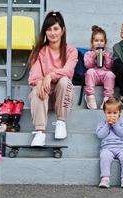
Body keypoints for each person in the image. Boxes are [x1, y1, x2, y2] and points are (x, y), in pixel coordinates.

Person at [28, 11, 78, 146]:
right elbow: (35, 75)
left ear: (63, 30)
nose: (52, 33)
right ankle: (39, 132)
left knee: (65, 80)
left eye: (56, 28)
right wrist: (40, 82)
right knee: (37, 86)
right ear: (45, 32)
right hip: (44, 95)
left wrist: (50, 76)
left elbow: (68, 71)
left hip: (62, 97)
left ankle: (61, 122)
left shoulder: (71, 51)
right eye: (49, 29)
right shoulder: (39, 51)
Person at [96, 97, 123, 188]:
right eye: (109, 113)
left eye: (115, 113)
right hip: (107, 148)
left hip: (122, 148)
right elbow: (100, 135)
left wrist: (115, 124)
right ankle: (105, 178)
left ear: (120, 112)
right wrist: (107, 124)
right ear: (105, 113)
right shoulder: (102, 124)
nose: (112, 115)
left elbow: (122, 133)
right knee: (104, 156)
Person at [84, 25, 115, 110]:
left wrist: (107, 58)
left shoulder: (109, 54)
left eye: (101, 41)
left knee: (110, 74)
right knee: (90, 72)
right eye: (96, 41)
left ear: (105, 43)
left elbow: (110, 66)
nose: (99, 43)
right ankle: (90, 96)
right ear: (92, 42)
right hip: (95, 76)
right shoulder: (88, 54)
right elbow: (87, 65)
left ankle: (107, 98)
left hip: (104, 76)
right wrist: (93, 57)